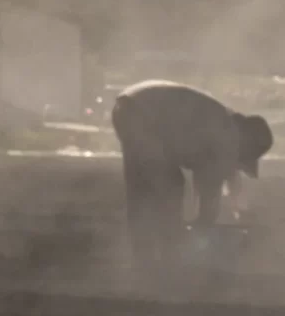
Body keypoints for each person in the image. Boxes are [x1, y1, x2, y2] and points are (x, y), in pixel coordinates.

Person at [109, 81, 273, 264]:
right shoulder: (225, 135)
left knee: (143, 186)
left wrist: (234, 206)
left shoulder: (222, 122)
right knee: (170, 184)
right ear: (245, 146)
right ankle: (168, 254)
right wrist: (203, 224)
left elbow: (219, 173)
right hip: (141, 114)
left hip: (129, 105)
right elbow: (209, 187)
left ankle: (144, 259)